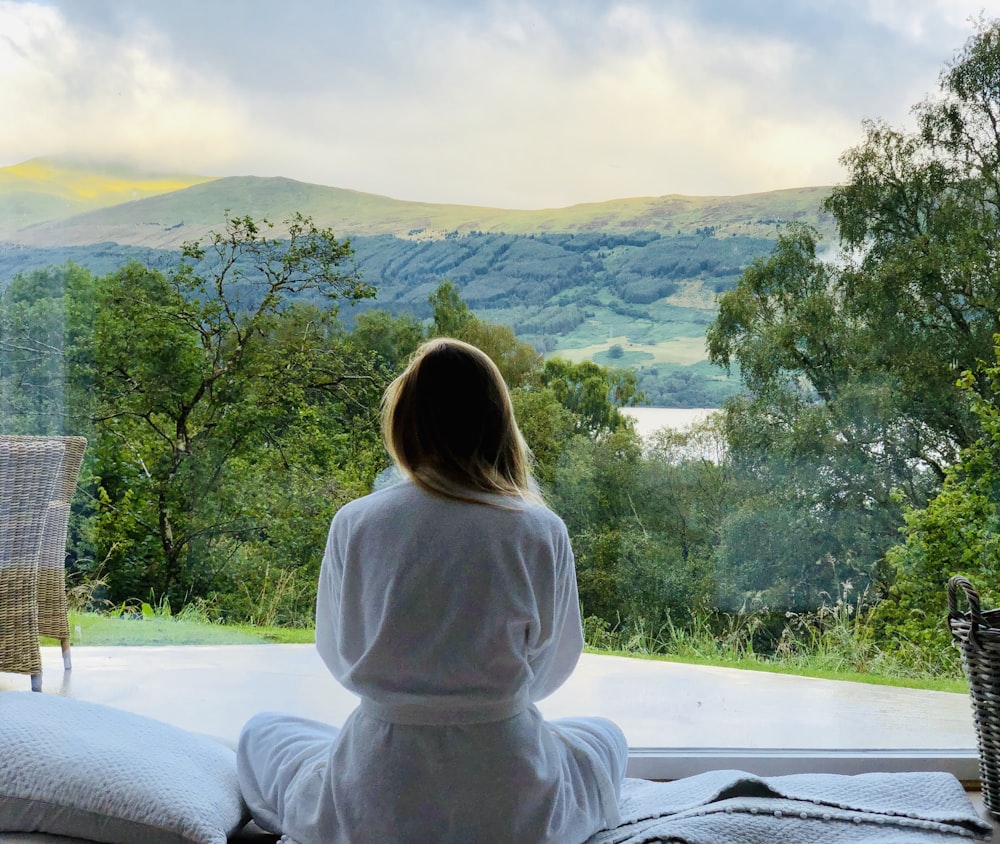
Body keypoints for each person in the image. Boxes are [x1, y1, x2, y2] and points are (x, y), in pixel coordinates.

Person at [237, 337, 628, 843]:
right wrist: (489, 703)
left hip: (376, 789)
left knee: (261, 733)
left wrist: (408, 699)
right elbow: (554, 663)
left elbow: (338, 653)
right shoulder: (539, 527)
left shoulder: (356, 522)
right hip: (509, 795)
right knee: (605, 737)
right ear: (497, 423)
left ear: (405, 423)